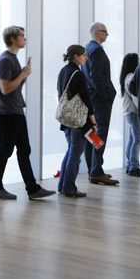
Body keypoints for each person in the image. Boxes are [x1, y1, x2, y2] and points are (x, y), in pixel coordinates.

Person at [0, 26, 55, 200]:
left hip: (14, 110)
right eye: (22, 36)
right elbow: (5, 88)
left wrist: (23, 76)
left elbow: (13, 87)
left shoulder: (12, 59)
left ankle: (32, 188)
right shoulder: (5, 60)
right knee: (6, 149)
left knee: (23, 149)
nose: (25, 39)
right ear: (13, 39)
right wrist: (22, 74)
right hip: (8, 112)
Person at [57, 45, 98, 197]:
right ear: (76, 57)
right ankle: (69, 188)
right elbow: (87, 99)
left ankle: (62, 185)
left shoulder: (63, 71)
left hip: (67, 119)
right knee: (75, 154)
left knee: (71, 151)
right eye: (83, 55)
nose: (86, 58)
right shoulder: (78, 74)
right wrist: (93, 122)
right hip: (78, 121)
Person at [82, 22, 119, 185]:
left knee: (92, 133)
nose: (107, 34)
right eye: (105, 31)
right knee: (100, 133)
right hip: (99, 99)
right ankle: (96, 171)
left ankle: (93, 169)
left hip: (91, 97)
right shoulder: (96, 50)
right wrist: (105, 94)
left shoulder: (87, 48)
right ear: (97, 33)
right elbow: (95, 76)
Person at [120, 53, 140, 177]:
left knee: (132, 139)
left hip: (128, 111)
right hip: (134, 111)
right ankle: (134, 167)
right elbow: (135, 96)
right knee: (138, 140)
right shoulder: (131, 77)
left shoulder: (125, 76)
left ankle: (130, 165)